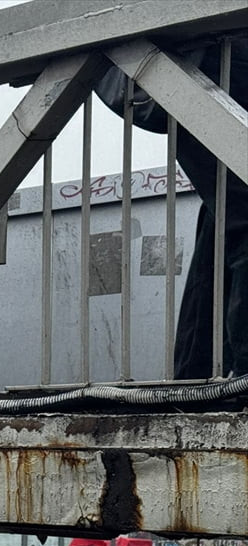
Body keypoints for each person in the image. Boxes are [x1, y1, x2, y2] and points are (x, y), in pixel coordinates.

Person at [94, 36, 247, 379]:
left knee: (225, 220)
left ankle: (198, 380)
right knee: (236, 214)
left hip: (201, 54)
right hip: (201, 55)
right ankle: (216, 380)